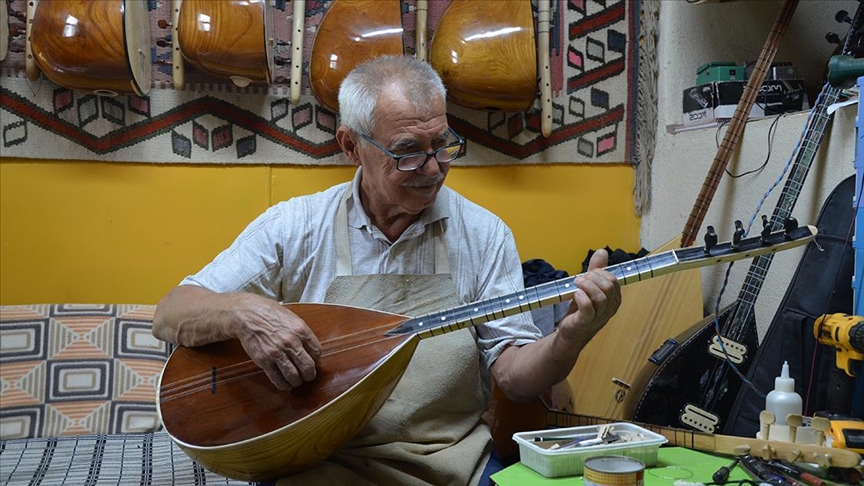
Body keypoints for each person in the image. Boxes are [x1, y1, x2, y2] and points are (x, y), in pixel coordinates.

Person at [152, 55, 621, 485]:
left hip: (451, 463)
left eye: (443, 144)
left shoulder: (484, 234)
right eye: (407, 150)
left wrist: (568, 338)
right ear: (351, 146)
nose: (433, 168)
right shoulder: (294, 226)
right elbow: (171, 312)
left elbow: (515, 378)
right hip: (316, 461)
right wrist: (244, 312)